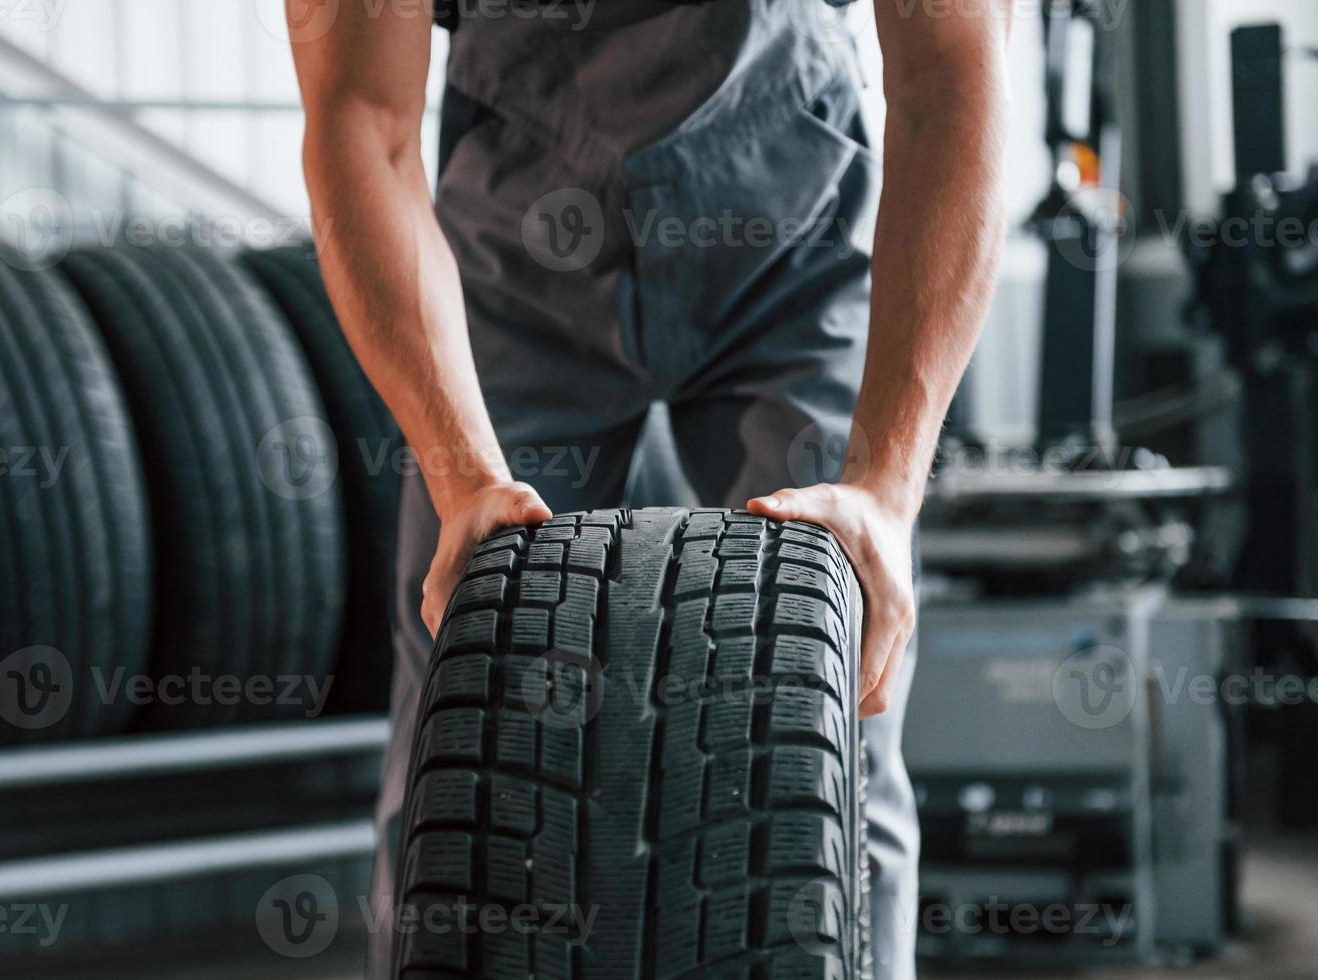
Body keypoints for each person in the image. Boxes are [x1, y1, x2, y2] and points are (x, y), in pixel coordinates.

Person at [289, 0, 1010, 975]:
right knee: (461, 702)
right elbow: (362, 126)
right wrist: (464, 475)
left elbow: (951, 83)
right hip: (518, 235)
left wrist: (884, 484)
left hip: (786, 208)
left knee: (839, 706)